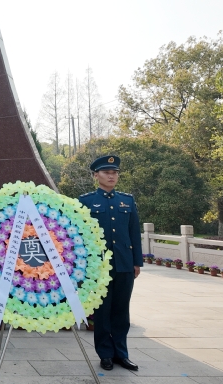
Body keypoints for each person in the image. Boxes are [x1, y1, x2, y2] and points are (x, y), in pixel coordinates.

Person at [78, 155, 142, 372]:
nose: (111, 176)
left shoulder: (127, 201)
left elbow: (134, 233)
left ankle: (122, 354)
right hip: (99, 267)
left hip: (124, 264)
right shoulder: (86, 201)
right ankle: (105, 354)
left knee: (122, 311)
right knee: (103, 312)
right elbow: (80, 235)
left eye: (114, 173)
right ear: (96, 175)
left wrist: (136, 262)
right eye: (106, 173)